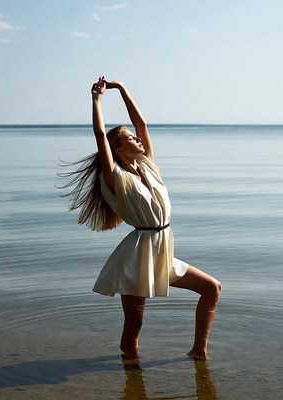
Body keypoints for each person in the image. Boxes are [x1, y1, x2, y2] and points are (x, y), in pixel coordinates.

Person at [60, 76, 221, 361]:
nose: (138, 139)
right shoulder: (115, 177)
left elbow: (142, 125)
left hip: (162, 250)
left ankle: (199, 352)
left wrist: (122, 89)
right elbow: (100, 136)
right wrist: (97, 99)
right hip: (137, 256)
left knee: (211, 288)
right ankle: (132, 375)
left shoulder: (148, 167)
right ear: (118, 150)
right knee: (134, 327)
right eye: (130, 139)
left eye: (135, 137)